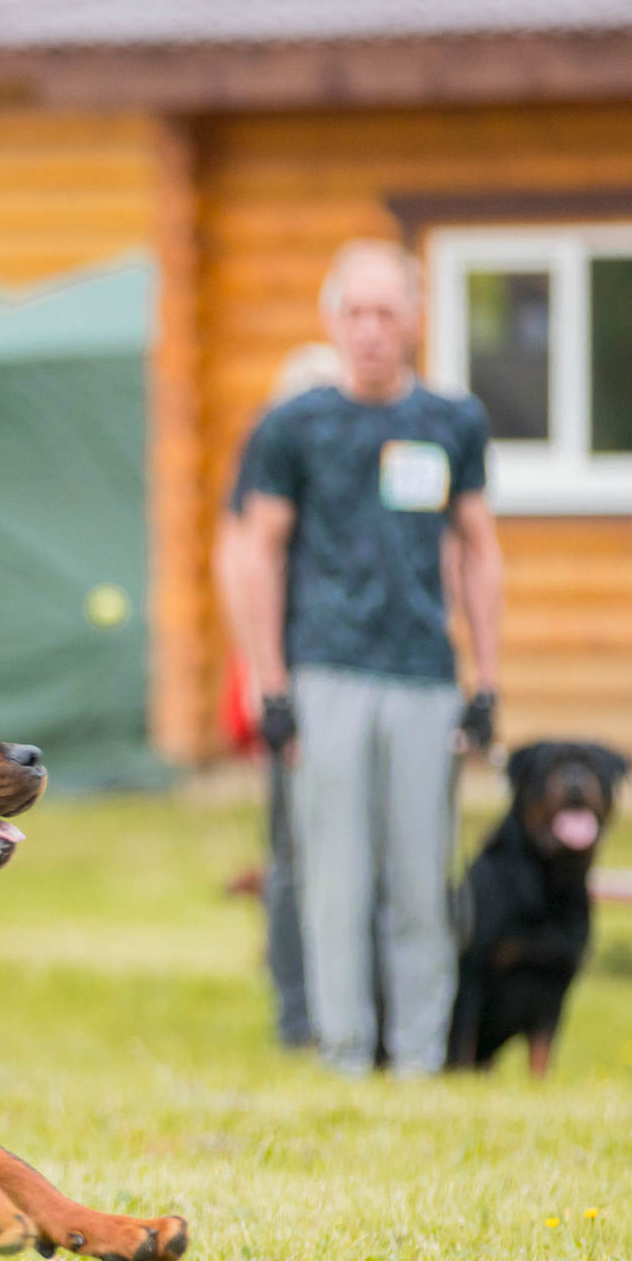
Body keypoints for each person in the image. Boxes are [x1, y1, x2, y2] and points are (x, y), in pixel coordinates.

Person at [233, 240, 506, 1078]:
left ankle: (420, 1055)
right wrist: (269, 685)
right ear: (332, 321)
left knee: (422, 877)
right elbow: (257, 555)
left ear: (416, 323)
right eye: (356, 313)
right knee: (335, 875)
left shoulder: (452, 422)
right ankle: (346, 1050)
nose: (371, 330)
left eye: (388, 313)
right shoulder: (291, 427)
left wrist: (486, 678)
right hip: (327, 672)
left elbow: (476, 549)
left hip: (423, 674)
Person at [216, 341, 345, 1049]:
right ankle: (297, 1010)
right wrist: (263, 679)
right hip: (287, 678)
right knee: (293, 848)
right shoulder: (264, 466)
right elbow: (238, 559)